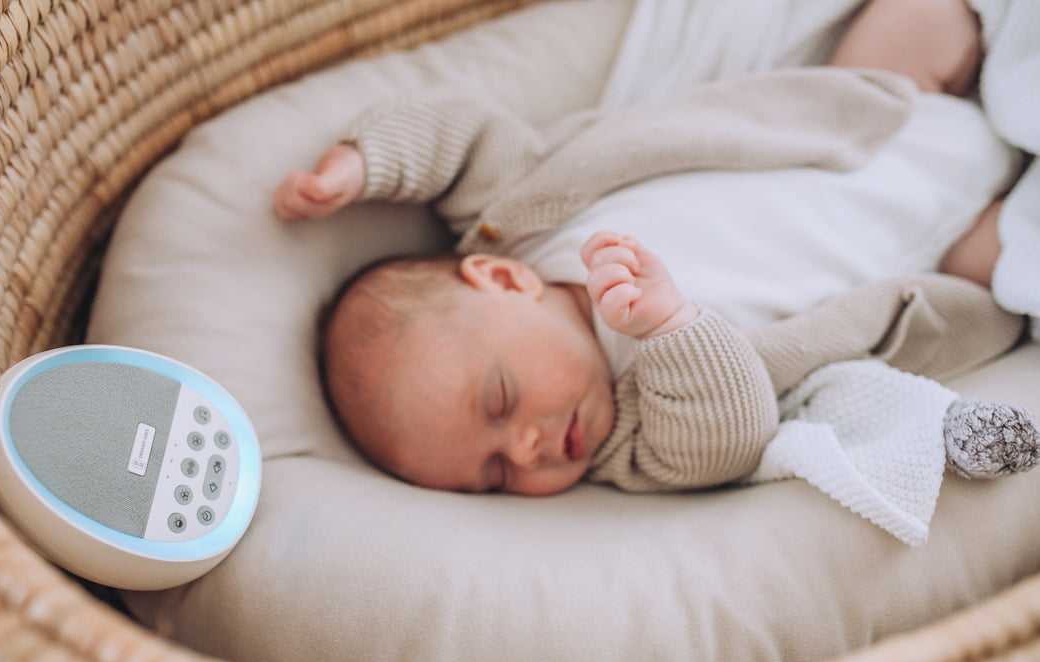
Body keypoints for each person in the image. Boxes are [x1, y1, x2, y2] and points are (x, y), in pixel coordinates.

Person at [274, 0, 1039, 498]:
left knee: (933, 12)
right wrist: (671, 327)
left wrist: (362, 162)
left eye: (500, 402)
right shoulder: (639, 440)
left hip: (858, 112)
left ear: (502, 279)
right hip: (941, 252)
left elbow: (460, 132)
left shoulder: (521, 215)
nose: (531, 446)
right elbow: (730, 437)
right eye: (495, 474)